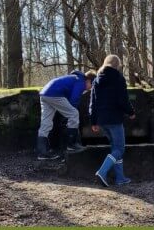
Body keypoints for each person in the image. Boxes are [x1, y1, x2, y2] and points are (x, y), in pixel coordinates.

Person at [89, 54, 137, 187]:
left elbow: (93, 102)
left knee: (115, 148)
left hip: (102, 121)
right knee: (120, 149)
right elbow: (123, 100)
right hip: (114, 119)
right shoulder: (118, 78)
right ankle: (102, 171)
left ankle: (120, 178)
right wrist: (131, 112)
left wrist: (93, 121)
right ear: (117, 65)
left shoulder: (97, 79)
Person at [37, 69, 97, 160]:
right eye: (92, 85)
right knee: (74, 114)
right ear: (88, 80)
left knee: (46, 122)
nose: (90, 88)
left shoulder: (75, 78)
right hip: (55, 94)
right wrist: (71, 113)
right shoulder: (80, 81)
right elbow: (74, 99)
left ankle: (42, 152)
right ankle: (71, 144)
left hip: (45, 93)